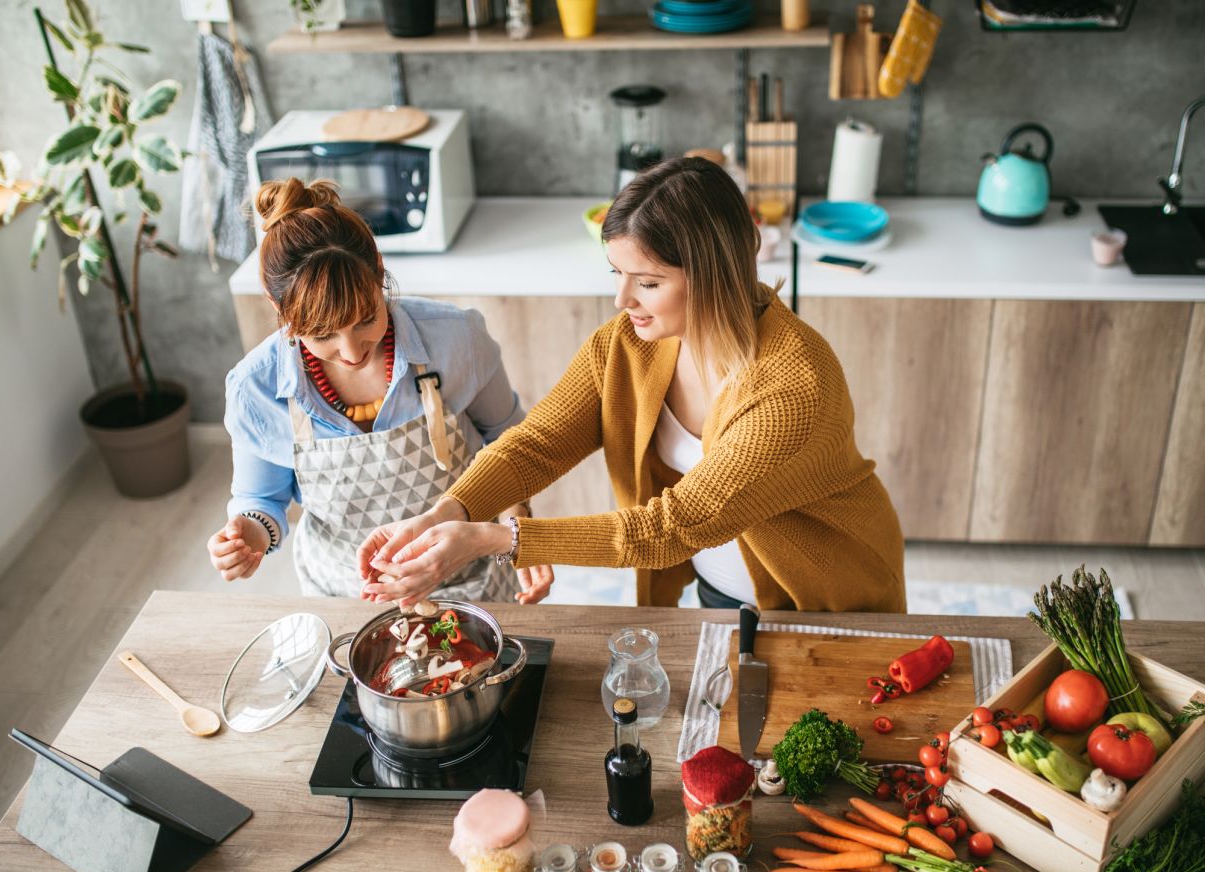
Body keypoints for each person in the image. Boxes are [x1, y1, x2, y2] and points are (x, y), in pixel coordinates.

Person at [357, 157, 905, 612]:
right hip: (722, 590)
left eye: (648, 282)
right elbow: (537, 444)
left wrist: (496, 540)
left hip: (825, 598)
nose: (623, 301)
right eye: (616, 275)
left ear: (716, 271)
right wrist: (446, 513)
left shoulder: (792, 387)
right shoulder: (628, 343)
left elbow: (675, 525)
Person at [207, 177, 553, 602]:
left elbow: (509, 441)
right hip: (345, 595)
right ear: (279, 309)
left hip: (469, 584)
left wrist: (516, 519)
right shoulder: (254, 388)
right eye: (323, 335)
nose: (352, 352)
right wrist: (248, 535)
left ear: (379, 269)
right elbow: (261, 498)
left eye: (366, 318)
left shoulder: (456, 338)